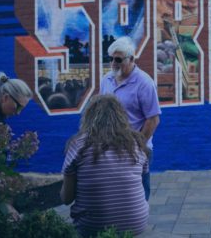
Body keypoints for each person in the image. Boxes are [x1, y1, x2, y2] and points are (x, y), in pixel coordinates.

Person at [60, 95, 149, 237]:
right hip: (136, 224)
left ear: (89, 117)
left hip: (92, 227)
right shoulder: (136, 144)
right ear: (122, 118)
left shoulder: (79, 145)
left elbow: (66, 199)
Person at [100, 36, 161, 200]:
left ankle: (138, 223)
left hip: (137, 149)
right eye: (110, 58)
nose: (113, 63)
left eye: (118, 59)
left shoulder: (144, 83)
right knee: (114, 193)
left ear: (132, 59)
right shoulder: (106, 80)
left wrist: (137, 145)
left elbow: (153, 119)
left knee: (138, 194)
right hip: (110, 148)